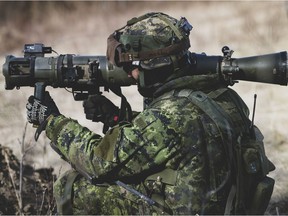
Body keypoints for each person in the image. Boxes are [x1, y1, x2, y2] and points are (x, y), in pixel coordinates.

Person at [26, 12, 275, 215]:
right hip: (225, 207)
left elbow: (98, 162)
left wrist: (51, 120)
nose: (131, 74)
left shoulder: (168, 116)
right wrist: (116, 118)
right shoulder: (218, 94)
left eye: (134, 67)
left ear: (155, 67)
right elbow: (175, 141)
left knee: (73, 187)